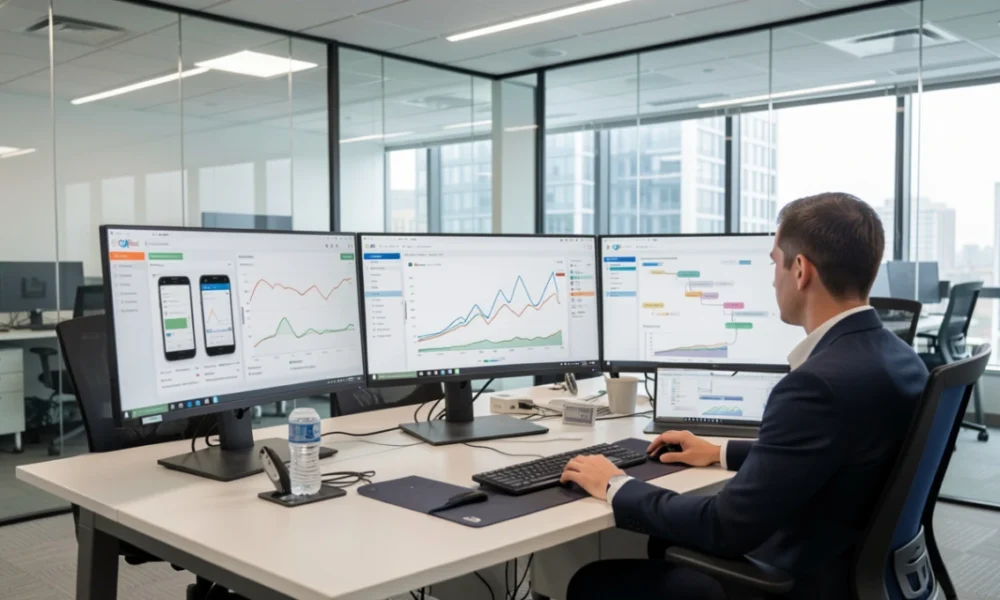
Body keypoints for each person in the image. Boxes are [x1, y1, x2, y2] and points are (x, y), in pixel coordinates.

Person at [561, 192, 929, 600]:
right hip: (855, 567)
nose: (773, 278)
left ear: (801, 270)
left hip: (801, 579)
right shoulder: (901, 359)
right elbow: (839, 453)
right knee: (662, 545)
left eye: (775, 262)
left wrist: (616, 483)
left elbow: (723, 527)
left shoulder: (815, 385)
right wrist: (720, 452)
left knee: (592, 582)